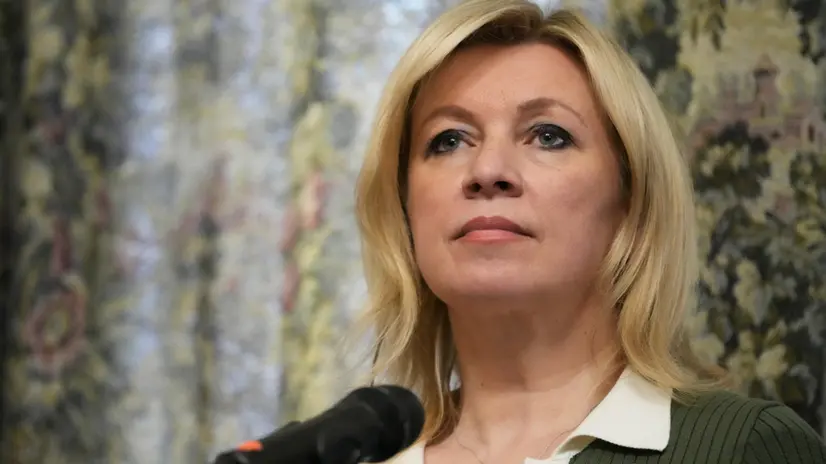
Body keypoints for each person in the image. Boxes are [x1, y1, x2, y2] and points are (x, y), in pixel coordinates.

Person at [353, 0, 826, 463]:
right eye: (449, 140)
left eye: (548, 135)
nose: (488, 170)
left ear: (630, 197)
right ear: (405, 205)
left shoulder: (745, 447)